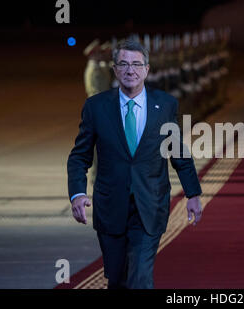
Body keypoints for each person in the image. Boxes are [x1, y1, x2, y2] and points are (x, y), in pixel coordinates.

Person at [67, 38, 202, 289]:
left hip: (150, 205)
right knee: (118, 280)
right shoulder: (96, 107)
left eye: (137, 64)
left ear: (147, 70)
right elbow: (79, 156)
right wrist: (77, 192)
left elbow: (178, 153)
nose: (131, 70)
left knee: (140, 277)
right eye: (124, 64)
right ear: (115, 69)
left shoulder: (165, 105)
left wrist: (193, 193)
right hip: (110, 208)